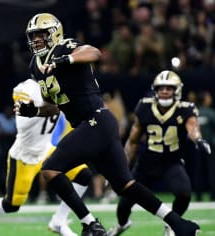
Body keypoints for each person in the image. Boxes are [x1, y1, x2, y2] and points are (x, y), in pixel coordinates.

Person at [15, 12, 201, 236]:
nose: (35, 40)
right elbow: (56, 105)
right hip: (94, 124)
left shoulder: (65, 48)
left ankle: (90, 224)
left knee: (51, 169)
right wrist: (34, 110)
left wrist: (64, 60)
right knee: (125, 185)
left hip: (96, 120)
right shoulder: (36, 64)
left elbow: (94, 52)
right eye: (32, 36)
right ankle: (180, 224)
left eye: (40, 35)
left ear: (54, 33)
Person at [0, 78, 92, 236]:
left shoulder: (57, 84)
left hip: (46, 149)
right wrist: (50, 106)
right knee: (12, 204)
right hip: (25, 155)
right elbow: (23, 123)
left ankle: (59, 220)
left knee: (84, 175)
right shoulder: (25, 88)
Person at [107, 70, 211, 236]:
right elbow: (133, 141)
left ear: (177, 90)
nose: (164, 91)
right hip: (146, 163)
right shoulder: (145, 106)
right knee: (124, 204)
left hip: (172, 162)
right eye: (161, 87)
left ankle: (172, 225)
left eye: (168, 88)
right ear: (155, 89)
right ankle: (123, 224)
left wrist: (198, 139)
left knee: (184, 193)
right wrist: (123, 167)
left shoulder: (185, 108)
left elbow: (193, 127)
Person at [195, 90, 215, 201]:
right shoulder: (211, 113)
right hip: (210, 146)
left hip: (196, 146)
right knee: (212, 171)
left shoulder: (194, 113)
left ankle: (198, 196)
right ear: (205, 99)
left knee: (198, 171)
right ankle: (213, 196)